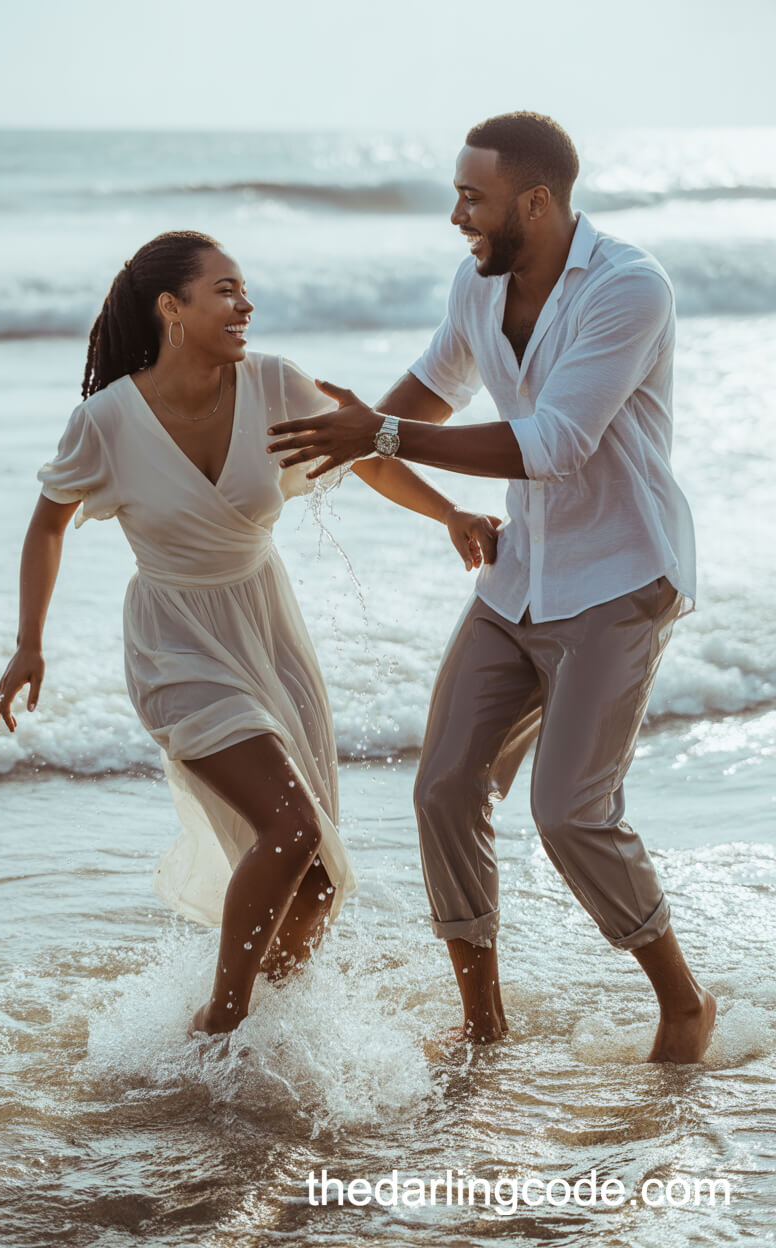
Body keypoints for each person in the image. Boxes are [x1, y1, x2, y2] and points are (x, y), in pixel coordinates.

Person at [266, 113, 717, 1064]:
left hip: (620, 579)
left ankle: (684, 1002)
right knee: (443, 789)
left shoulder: (629, 288)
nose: (459, 214)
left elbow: (553, 445)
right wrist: (327, 439)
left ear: (537, 201)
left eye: (474, 196)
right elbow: (398, 420)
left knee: (569, 814)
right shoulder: (478, 292)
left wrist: (380, 436)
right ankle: (484, 1025)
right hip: (515, 584)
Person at [0, 230, 502, 1039]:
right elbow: (48, 525)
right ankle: (219, 1025)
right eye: (225, 289)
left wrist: (452, 513)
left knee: (318, 878)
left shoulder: (274, 383)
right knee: (292, 827)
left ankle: (261, 1037)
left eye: (245, 288)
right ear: (172, 309)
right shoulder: (107, 422)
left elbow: (363, 456)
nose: (246, 304)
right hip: (175, 641)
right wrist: (29, 643)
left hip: (267, 630)